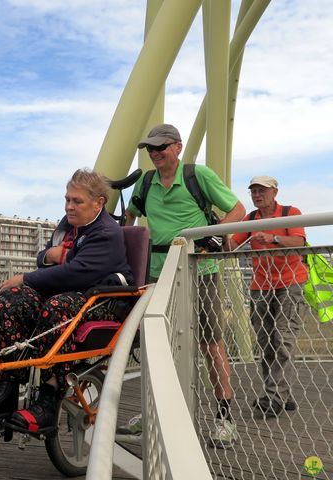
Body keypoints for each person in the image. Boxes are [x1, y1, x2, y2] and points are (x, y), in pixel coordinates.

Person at [0, 168, 134, 433]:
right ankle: (7, 387)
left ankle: (49, 396)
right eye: (67, 199)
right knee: (5, 302)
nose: (69, 206)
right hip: (65, 292)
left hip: (100, 300)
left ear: (98, 203)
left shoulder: (106, 232)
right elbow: (45, 255)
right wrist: (52, 257)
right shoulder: (68, 225)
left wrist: (27, 277)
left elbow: (77, 273)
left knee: (56, 309)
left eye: (77, 201)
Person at [120, 123, 246, 448]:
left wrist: (208, 235)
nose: (155, 153)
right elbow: (129, 217)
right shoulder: (146, 183)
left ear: (177, 146)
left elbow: (238, 209)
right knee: (157, 346)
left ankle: (224, 417)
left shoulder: (197, 175)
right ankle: (152, 414)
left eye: (161, 147)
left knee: (210, 343)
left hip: (199, 270)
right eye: (150, 149)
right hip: (157, 275)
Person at [227, 176, 307, 418]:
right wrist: (217, 231)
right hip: (260, 286)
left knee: (282, 338)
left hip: (290, 282)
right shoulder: (250, 219)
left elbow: (299, 242)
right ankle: (283, 393)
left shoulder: (290, 212)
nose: (257, 195)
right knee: (265, 340)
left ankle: (274, 396)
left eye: (262, 190)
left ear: (275, 191)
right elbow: (230, 246)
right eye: (253, 191)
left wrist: (273, 238)